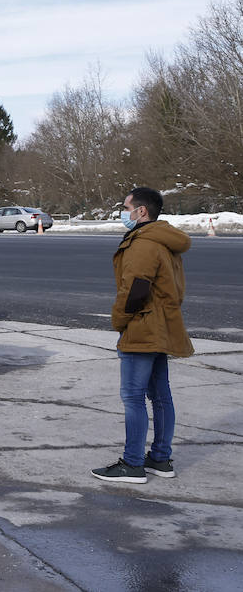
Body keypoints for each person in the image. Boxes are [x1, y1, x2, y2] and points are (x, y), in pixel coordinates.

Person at [92, 186, 193, 484]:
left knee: (133, 396)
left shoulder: (143, 243)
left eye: (127, 207)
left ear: (141, 211)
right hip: (161, 325)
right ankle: (160, 458)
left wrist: (119, 320)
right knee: (161, 396)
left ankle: (133, 463)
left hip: (142, 325)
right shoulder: (164, 239)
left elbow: (135, 289)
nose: (124, 212)